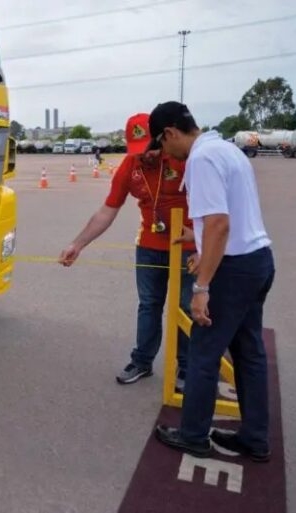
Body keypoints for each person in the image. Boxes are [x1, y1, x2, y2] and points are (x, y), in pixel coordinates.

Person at [147, 102, 275, 462]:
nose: (163, 153)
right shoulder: (227, 149)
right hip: (258, 260)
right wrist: (198, 239)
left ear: (170, 133)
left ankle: (193, 435)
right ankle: (254, 438)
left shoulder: (201, 160)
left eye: (160, 143)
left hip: (233, 272)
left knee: (203, 352)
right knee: (249, 353)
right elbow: (226, 219)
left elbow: (220, 223)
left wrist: (202, 287)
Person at [58, 113, 196, 387]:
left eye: (148, 147)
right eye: (137, 149)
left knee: (186, 307)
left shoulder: (186, 160)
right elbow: (107, 210)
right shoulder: (130, 166)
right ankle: (143, 361)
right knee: (149, 305)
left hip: (188, 247)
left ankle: (187, 366)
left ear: (163, 137)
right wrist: (78, 244)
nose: (144, 155)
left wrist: (203, 244)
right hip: (149, 247)